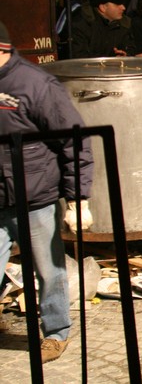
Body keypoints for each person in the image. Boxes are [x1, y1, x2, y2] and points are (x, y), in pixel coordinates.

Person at [0, 20, 94, 363]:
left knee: (49, 271)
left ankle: (55, 333)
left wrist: (78, 199)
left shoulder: (37, 85)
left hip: (36, 197)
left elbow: (74, 140)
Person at [72, 0, 139, 58]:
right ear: (103, 7)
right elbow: (79, 55)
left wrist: (125, 54)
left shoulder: (124, 24)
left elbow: (131, 47)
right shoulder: (83, 23)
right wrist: (110, 59)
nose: (123, 8)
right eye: (117, 4)